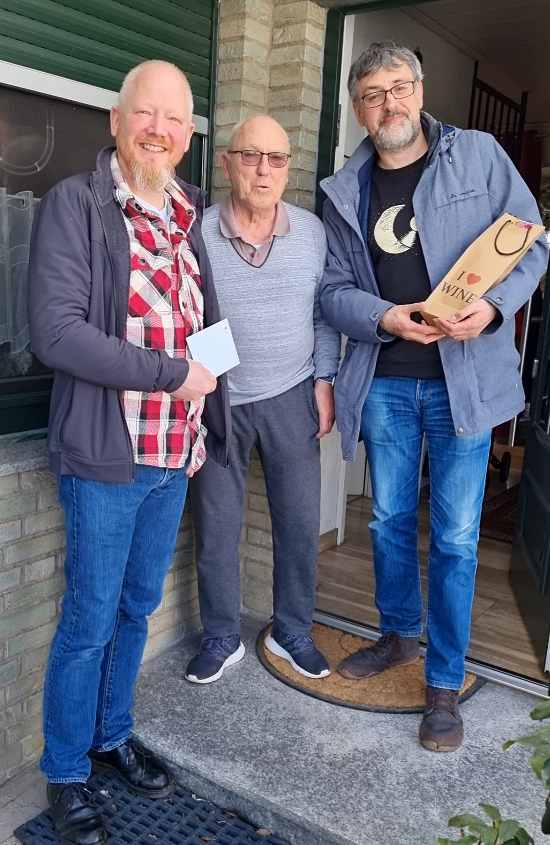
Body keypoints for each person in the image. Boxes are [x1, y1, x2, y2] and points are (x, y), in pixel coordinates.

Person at [319, 42, 548, 752]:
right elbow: (331, 292)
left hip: (463, 383)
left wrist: (496, 308)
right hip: (386, 380)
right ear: (359, 109)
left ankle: (444, 679)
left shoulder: (477, 156)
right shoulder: (343, 190)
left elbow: (533, 242)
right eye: (373, 94)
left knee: (454, 536)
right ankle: (397, 634)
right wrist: (383, 317)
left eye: (399, 88)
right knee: (388, 518)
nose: (388, 103)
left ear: (419, 91)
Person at [28, 60, 229, 845]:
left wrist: (217, 403)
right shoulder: (76, 205)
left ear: (187, 135)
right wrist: (175, 373)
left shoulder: (187, 213)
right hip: (107, 458)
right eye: (146, 113)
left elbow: (204, 324)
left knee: (136, 608)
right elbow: (57, 333)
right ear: (116, 121)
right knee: (88, 619)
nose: (159, 130)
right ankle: (65, 769)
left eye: (175, 119)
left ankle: (112, 734)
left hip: (175, 454)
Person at [185, 115, 341, 685]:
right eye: (250, 156)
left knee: (299, 522)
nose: (263, 170)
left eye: (276, 158)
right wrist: (212, 381)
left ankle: (292, 631)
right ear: (227, 163)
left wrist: (325, 380)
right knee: (216, 524)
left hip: (293, 393)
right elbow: (190, 314)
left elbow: (324, 313)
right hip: (219, 400)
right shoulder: (197, 233)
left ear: (288, 168)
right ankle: (221, 635)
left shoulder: (312, 234)